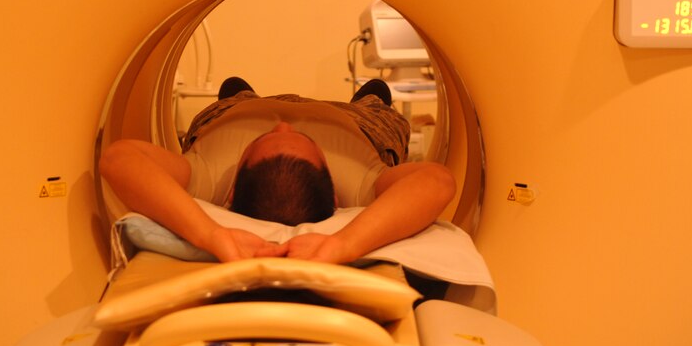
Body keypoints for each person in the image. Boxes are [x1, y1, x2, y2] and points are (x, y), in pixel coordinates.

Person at [99, 77, 455, 264]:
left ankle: (239, 94)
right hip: (353, 121)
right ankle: (368, 100)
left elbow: (119, 159)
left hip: (239, 110)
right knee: (377, 96)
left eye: (264, 139)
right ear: (333, 192)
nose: (283, 124)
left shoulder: (202, 175)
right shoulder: (364, 186)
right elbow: (437, 181)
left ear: (232, 191)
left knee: (233, 88)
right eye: (302, 139)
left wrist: (210, 235)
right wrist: (346, 244)